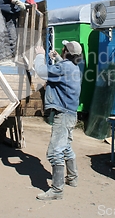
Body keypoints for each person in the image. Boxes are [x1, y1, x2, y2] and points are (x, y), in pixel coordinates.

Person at [33, 40, 82, 200]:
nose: (61, 49)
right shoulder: (74, 67)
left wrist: (40, 55)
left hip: (63, 115)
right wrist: (57, 58)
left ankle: (57, 191)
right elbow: (64, 68)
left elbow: (41, 72)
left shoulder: (64, 67)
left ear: (66, 52)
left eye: (63, 48)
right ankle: (73, 179)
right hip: (71, 114)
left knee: (54, 152)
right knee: (66, 147)